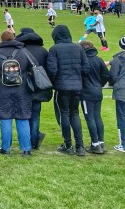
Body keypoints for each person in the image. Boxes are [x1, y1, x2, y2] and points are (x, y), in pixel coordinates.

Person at [46, 25, 90, 156]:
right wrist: (77, 78)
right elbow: (86, 68)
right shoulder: (78, 48)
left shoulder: (54, 49)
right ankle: (80, 146)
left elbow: (52, 70)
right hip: (76, 87)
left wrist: (53, 82)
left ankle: (68, 145)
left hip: (62, 87)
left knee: (64, 114)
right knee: (75, 114)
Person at [0, 31, 33, 156]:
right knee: (23, 117)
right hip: (21, 89)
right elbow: (33, 64)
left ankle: (5, 148)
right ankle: (26, 149)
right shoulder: (24, 52)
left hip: (2, 90)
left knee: (5, 117)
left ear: (1, 39)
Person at [15, 28, 52, 150]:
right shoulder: (43, 51)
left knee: (25, 115)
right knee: (36, 115)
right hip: (39, 86)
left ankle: (26, 141)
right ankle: (34, 141)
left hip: (24, 87)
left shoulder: (20, 51)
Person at [80, 41, 110, 154]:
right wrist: (99, 84)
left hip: (86, 93)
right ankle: (101, 142)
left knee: (90, 118)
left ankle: (95, 144)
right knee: (97, 117)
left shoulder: (83, 61)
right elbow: (107, 75)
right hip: (98, 92)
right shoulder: (99, 59)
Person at [110, 37, 125, 152]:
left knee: (122, 117)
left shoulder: (118, 59)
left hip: (122, 91)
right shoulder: (117, 59)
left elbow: (113, 77)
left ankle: (123, 144)